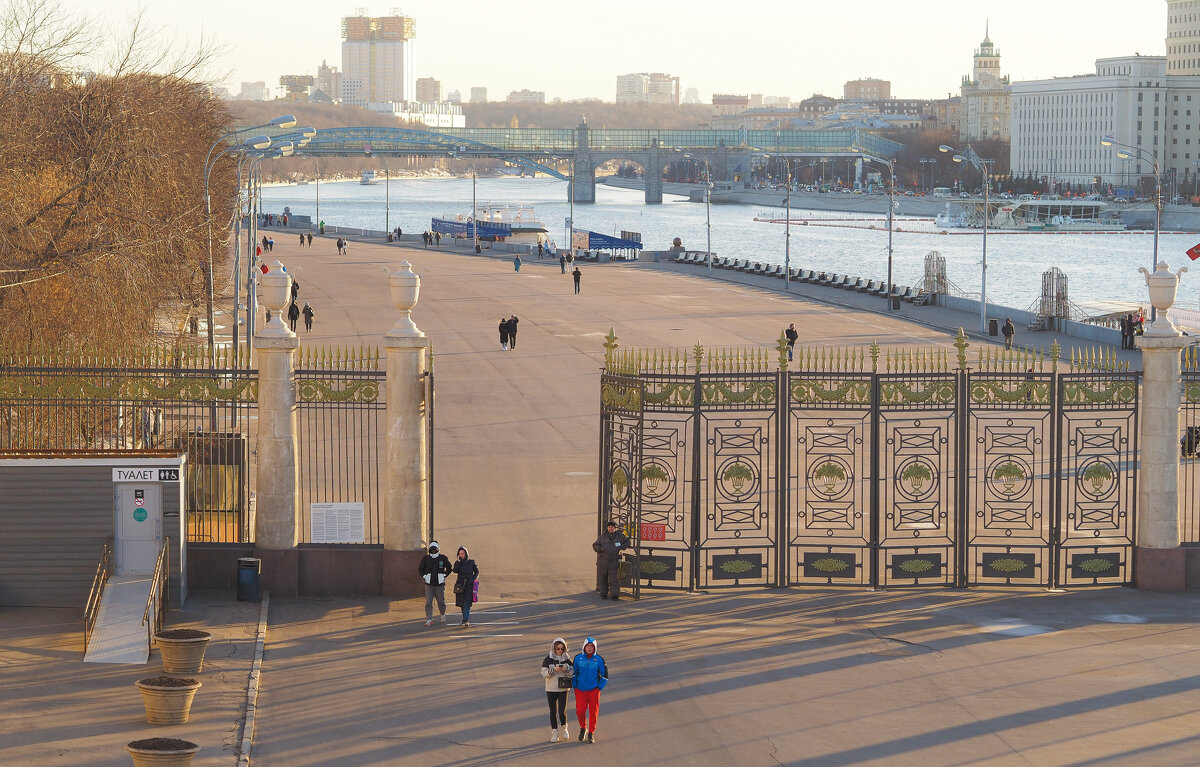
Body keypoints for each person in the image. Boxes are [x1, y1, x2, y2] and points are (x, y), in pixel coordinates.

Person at [572, 637, 608, 743]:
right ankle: (583, 728)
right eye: (588, 646)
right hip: (580, 690)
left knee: (593, 712)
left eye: (592, 646)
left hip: (594, 691)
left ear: (595, 648)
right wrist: (575, 686)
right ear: (584, 646)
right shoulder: (578, 658)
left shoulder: (599, 660)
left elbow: (605, 675)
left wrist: (599, 688)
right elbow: (573, 673)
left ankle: (591, 733)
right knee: (580, 711)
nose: (589, 648)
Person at [541, 638, 574, 743]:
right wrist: (554, 670)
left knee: (562, 711)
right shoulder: (548, 659)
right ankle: (554, 732)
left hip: (563, 688)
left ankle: (565, 729)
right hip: (551, 689)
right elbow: (544, 673)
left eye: (562, 648)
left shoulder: (567, 659)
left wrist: (567, 668)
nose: (560, 650)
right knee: (553, 711)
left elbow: (572, 673)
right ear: (553, 648)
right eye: (558, 649)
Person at [592, 520, 630, 600]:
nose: (610, 528)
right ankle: (603, 594)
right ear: (607, 528)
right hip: (602, 561)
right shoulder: (603, 536)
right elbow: (595, 545)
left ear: (615, 528)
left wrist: (622, 546)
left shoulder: (619, 536)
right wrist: (600, 548)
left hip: (613, 560)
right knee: (603, 578)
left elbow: (628, 542)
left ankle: (614, 595)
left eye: (612, 527)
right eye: (609, 527)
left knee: (613, 579)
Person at [418, 541, 453, 627]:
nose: (433, 551)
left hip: (440, 585)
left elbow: (449, 567)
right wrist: (425, 576)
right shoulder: (426, 558)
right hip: (429, 585)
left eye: (435, 550)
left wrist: (444, 575)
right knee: (428, 602)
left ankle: (443, 615)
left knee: (441, 601)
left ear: (438, 549)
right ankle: (429, 618)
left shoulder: (443, 558)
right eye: (432, 550)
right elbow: (420, 569)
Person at [451, 546, 478, 627]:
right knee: (462, 603)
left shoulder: (471, 562)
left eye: (463, 553)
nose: (462, 555)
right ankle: (464, 618)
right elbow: (455, 570)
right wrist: (458, 561)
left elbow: (477, 571)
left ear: (466, 553)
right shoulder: (458, 563)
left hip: (469, 585)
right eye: (460, 554)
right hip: (460, 585)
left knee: (467, 603)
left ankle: (465, 619)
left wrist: (473, 579)